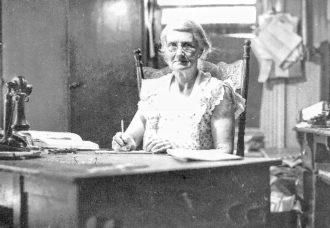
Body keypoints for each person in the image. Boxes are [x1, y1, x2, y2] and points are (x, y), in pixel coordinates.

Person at [112, 19, 244, 154]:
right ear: (165, 51)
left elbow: (224, 151)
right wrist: (125, 141)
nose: (179, 53)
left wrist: (177, 149)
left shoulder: (217, 92)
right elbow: (133, 137)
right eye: (172, 46)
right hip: (151, 170)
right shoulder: (153, 90)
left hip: (194, 173)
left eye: (187, 46)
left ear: (200, 50)